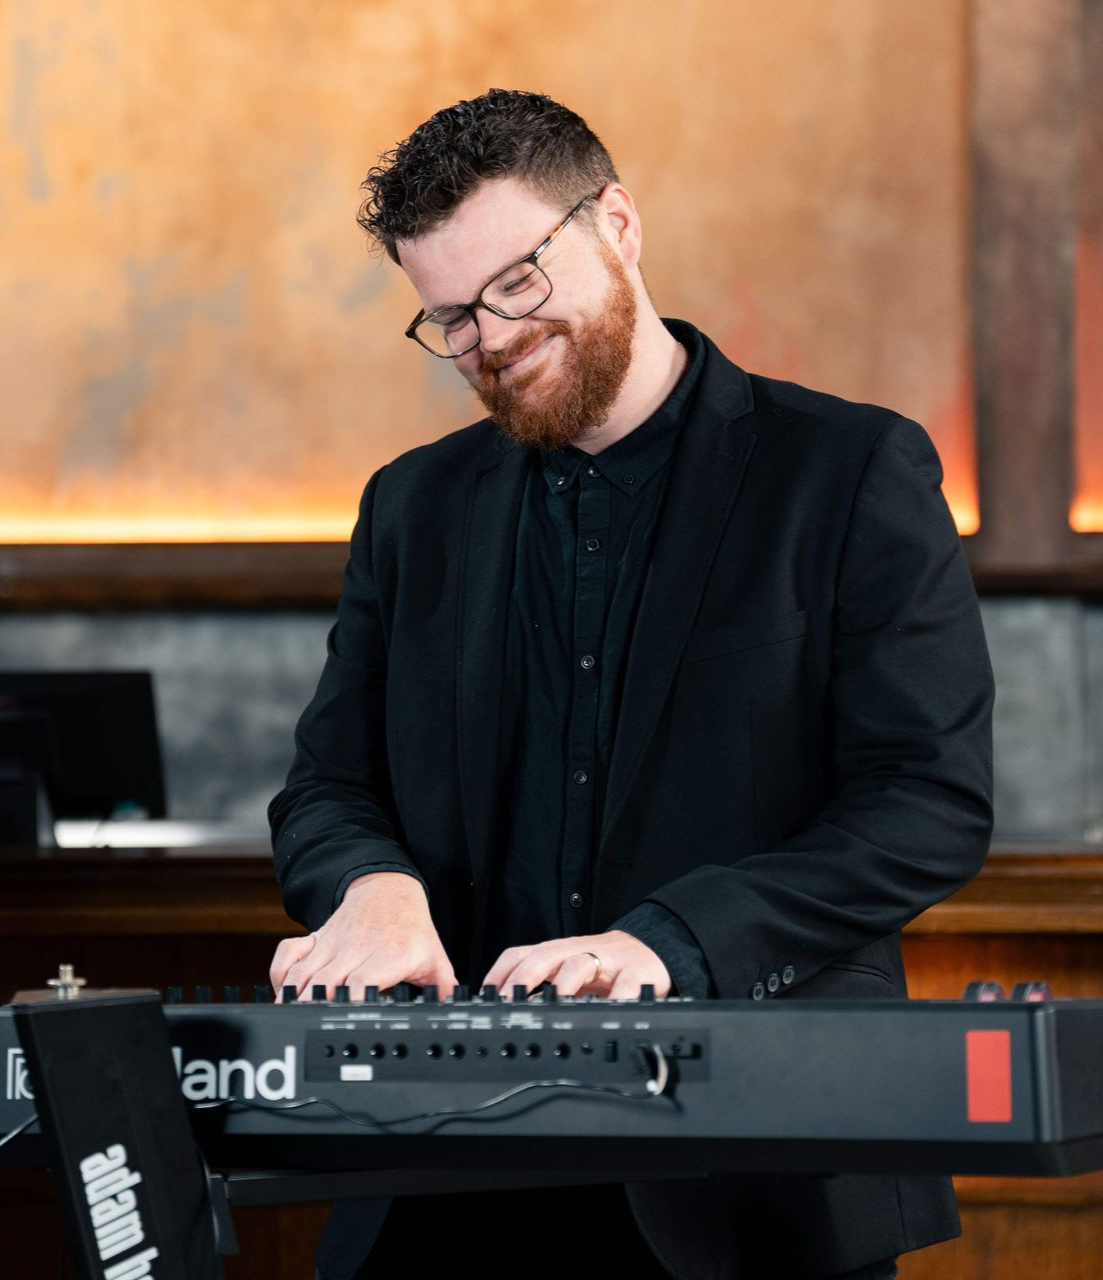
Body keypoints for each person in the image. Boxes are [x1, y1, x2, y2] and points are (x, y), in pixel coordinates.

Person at [268, 88, 994, 1280]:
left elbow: (926, 804)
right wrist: (372, 887)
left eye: (515, 282)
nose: (492, 338)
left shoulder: (850, 469)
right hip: (449, 1177)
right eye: (449, 317)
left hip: (756, 1176)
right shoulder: (411, 506)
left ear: (616, 223)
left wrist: (668, 943)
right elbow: (327, 787)